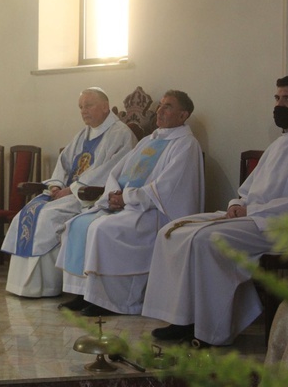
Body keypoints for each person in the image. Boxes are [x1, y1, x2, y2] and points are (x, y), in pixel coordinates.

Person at [142, 75, 288, 347]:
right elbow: (248, 189)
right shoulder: (279, 143)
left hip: (286, 228)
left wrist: (251, 210)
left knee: (207, 240)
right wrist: (237, 204)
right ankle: (184, 318)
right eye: (277, 98)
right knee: (172, 231)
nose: (279, 104)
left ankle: (212, 331)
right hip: (255, 219)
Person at [56, 90, 204, 316]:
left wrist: (127, 198)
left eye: (168, 107)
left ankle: (112, 300)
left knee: (103, 229)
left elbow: (167, 188)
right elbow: (118, 171)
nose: (160, 110)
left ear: (183, 115)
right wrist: (114, 194)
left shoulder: (186, 145)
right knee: (78, 224)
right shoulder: (149, 140)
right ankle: (82, 293)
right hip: (126, 204)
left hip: (154, 211)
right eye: (160, 105)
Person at [1, 87, 137, 298]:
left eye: (89, 105)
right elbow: (64, 163)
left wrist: (73, 189)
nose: (84, 111)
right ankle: (22, 284)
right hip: (68, 192)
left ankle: (45, 286)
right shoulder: (84, 134)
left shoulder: (121, 134)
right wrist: (55, 185)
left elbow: (110, 171)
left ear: (105, 106)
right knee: (29, 211)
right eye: (81, 107)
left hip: (90, 196)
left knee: (47, 216)